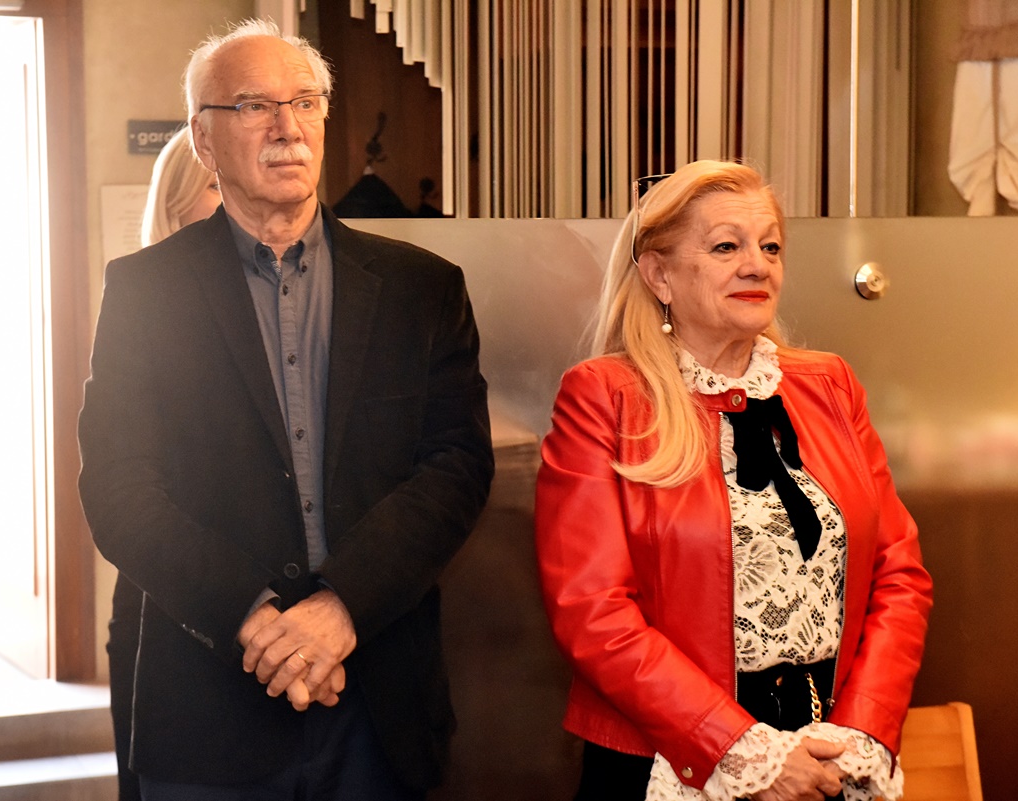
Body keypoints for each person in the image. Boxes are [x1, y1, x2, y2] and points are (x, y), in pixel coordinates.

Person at [78, 18, 494, 801]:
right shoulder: (143, 292)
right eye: (254, 106)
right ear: (204, 140)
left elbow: (456, 467)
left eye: (305, 102)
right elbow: (119, 489)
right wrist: (261, 622)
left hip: (379, 702)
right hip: (210, 708)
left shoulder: (423, 289)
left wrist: (342, 608)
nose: (286, 126)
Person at [534, 160, 933, 801]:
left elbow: (899, 574)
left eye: (770, 247)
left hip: (830, 751)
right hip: (670, 758)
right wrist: (745, 752)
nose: (757, 266)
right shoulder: (605, 397)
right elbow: (592, 610)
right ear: (659, 274)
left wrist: (860, 731)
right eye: (726, 247)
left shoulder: (830, 385)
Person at [106, 126, 222, 801]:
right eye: (215, 188)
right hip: (165, 592)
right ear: (177, 204)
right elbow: (126, 482)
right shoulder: (141, 303)